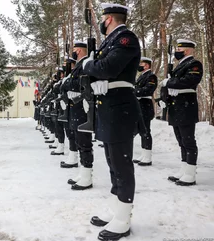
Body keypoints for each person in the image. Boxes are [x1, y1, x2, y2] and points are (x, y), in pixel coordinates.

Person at [82, 3, 140, 240]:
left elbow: (107, 68)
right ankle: (117, 211)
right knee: (112, 163)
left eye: (104, 19)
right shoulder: (111, 41)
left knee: (122, 164)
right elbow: (103, 71)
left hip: (120, 109)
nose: (102, 23)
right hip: (108, 107)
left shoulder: (125, 38)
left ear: (110, 19)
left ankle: (124, 218)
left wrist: (88, 65)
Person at [160, 39, 203, 186]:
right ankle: (184, 168)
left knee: (188, 141)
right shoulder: (180, 66)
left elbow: (189, 80)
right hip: (176, 106)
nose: (178, 52)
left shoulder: (194, 64)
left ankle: (190, 173)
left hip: (186, 106)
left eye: (181, 49)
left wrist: (169, 82)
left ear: (187, 50)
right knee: (181, 141)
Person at [61, 41, 94, 191]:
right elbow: (69, 84)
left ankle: (87, 175)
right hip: (76, 107)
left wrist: (69, 83)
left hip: (82, 106)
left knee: (84, 141)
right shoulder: (80, 65)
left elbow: (79, 83)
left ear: (79, 50)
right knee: (79, 140)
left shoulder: (86, 63)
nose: (73, 52)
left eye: (74, 49)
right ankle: (83, 172)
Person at [133, 57, 157, 166]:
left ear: (146, 65)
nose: (140, 66)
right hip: (139, 105)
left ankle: (148, 156)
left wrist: (134, 91)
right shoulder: (142, 76)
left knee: (146, 130)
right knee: (142, 130)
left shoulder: (151, 76)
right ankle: (144, 154)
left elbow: (148, 90)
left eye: (141, 64)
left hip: (145, 105)